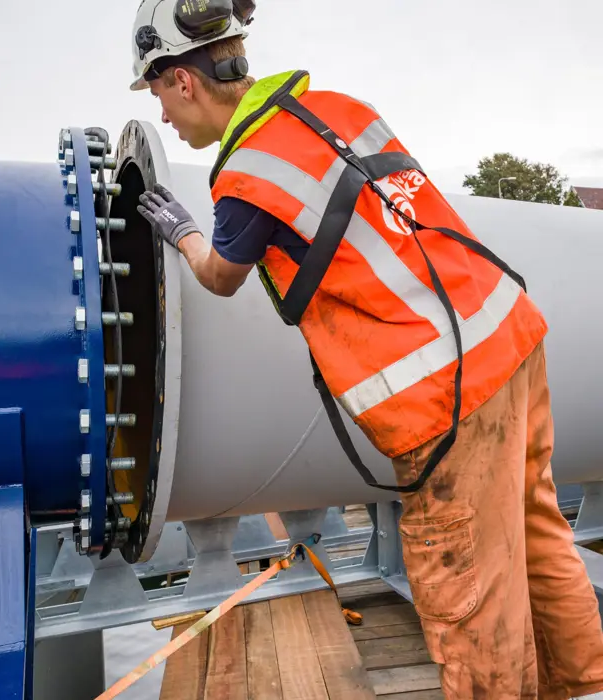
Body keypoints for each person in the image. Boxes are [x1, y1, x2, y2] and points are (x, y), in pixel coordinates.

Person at [129, 1, 603, 698]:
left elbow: (220, 278)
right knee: (536, 534)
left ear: (183, 81)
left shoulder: (246, 178)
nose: (165, 118)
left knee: (465, 581)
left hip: (448, 392)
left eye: (159, 95)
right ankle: (583, 684)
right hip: (508, 334)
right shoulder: (338, 108)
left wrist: (182, 231)